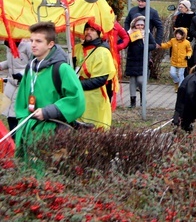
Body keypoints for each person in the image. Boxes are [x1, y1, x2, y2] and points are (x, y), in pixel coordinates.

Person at [13, 22, 85, 158]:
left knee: (48, 174)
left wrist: (48, 111)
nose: (33, 45)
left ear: (50, 44)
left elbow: (77, 100)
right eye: (31, 40)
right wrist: (24, 123)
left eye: (38, 41)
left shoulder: (62, 69)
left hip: (52, 131)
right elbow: (21, 101)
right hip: (30, 131)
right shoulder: (30, 68)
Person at [74, 21, 117, 128]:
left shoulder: (102, 52)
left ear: (99, 34)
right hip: (78, 94)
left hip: (94, 96)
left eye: (92, 30)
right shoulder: (77, 48)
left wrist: (77, 84)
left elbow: (100, 79)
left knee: (94, 127)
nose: (88, 32)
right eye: (87, 29)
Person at [1, 38, 32, 131]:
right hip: (11, 83)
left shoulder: (28, 45)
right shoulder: (8, 46)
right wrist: (1, 65)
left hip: (22, 84)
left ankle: (17, 136)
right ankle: (12, 134)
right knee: (6, 110)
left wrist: (22, 74)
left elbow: (34, 62)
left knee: (16, 112)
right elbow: (11, 62)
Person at [125, 15, 156, 108]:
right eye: (138, 25)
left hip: (142, 59)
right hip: (132, 59)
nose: (140, 27)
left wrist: (145, 47)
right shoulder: (130, 33)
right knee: (132, 80)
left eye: (142, 25)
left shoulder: (147, 33)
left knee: (140, 80)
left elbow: (153, 45)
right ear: (134, 25)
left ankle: (143, 99)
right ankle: (132, 102)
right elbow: (125, 44)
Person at [160, 27, 193, 92]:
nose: (178, 35)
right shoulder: (173, 40)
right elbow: (167, 45)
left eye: (180, 34)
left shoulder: (186, 42)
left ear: (183, 35)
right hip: (174, 61)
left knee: (181, 75)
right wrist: (160, 45)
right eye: (177, 34)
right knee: (172, 73)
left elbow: (189, 50)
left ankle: (180, 88)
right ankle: (176, 82)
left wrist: (188, 55)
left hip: (182, 62)